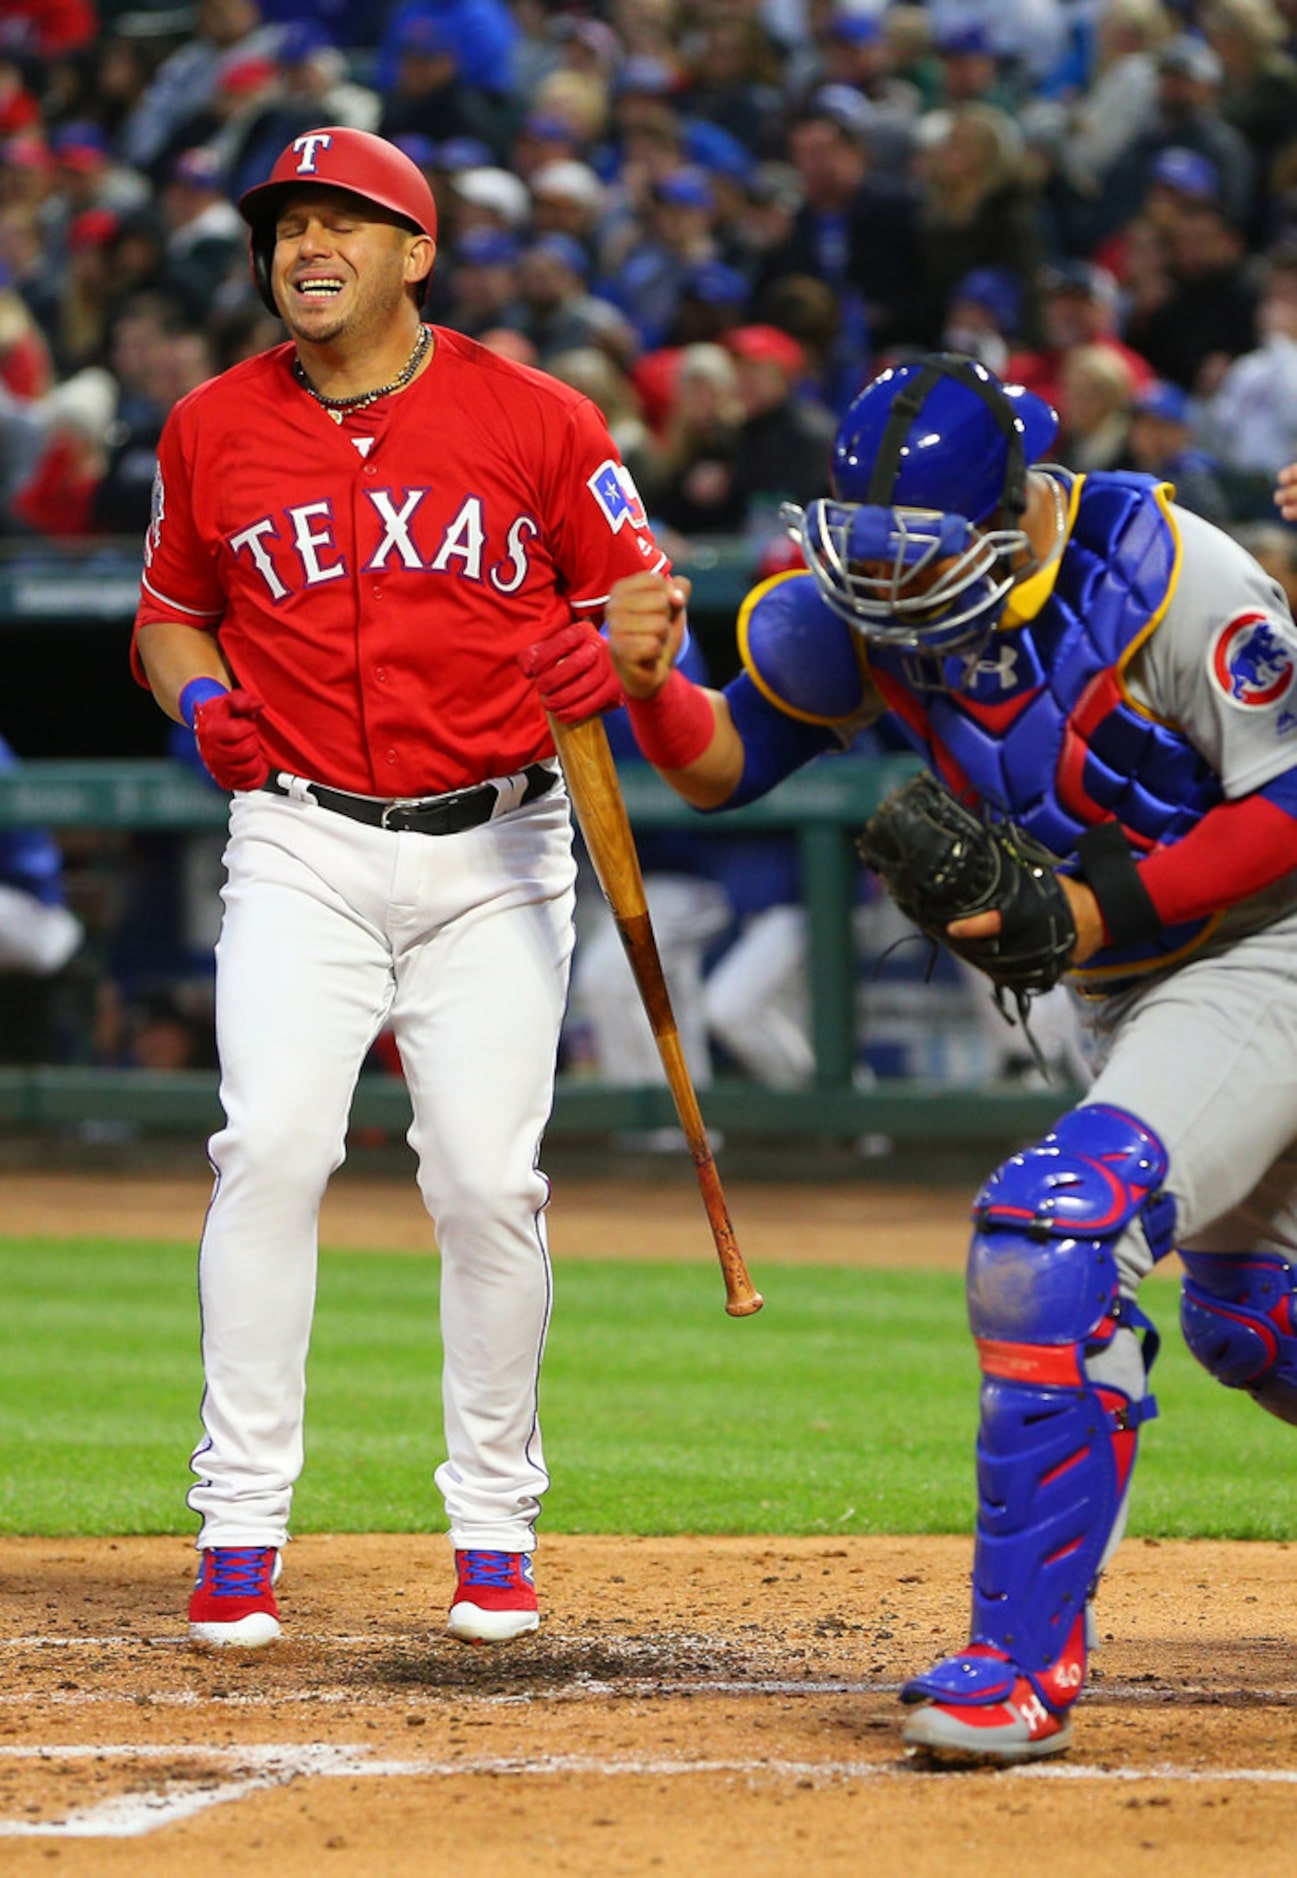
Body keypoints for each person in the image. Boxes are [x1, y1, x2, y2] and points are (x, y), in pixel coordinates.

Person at [521, 352, 1297, 1765]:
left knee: (1051, 1231)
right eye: (864, 548)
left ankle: (1014, 1663)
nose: (882, 583)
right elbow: (718, 762)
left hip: (1268, 944)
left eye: (916, 550)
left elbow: (1289, 802)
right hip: (1134, 986)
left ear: (1008, 516)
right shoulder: (865, 620)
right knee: (1254, 1321)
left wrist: (1087, 908)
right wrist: (648, 683)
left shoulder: (1172, 572)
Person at [130, 127, 670, 1652]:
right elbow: (172, 617)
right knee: (273, 1146)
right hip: (299, 836)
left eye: (343, 224)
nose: (307, 247)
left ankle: (493, 1525)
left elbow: (644, 602)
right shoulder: (209, 426)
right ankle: (238, 1522)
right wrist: (196, 704)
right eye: (287, 224)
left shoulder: (536, 416)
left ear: (414, 252)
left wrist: (608, 651)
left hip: (499, 848)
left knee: (486, 1182)